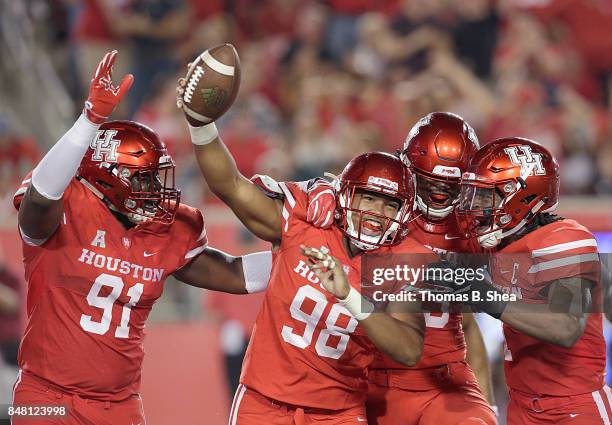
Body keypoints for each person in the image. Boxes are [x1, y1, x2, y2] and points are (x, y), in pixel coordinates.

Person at [11, 50, 271, 425]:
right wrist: (90, 120)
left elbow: (234, 274)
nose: (157, 191)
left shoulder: (166, 231)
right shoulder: (65, 209)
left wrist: (304, 257)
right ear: (107, 177)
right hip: (44, 395)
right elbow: (41, 196)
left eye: (158, 178)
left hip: (119, 403)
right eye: (144, 179)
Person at [179, 78, 432, 420]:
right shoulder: (306, 224)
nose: (376, 213)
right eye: (369, 198)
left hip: (338, 413)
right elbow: (231, 186)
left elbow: (407, 349)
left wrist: (349, 296)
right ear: (346, 196)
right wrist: (201, 125)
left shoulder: (400, 264)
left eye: (389, 204)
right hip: (264, 403)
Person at [291, 112, 496, 424]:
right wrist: (318, 186)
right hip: (371, 376)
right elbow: (342, 189)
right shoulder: (381, 207)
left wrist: (489, 406)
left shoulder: (472, 228)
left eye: (452, 186)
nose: (440, 194)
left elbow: (467, 323)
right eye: (430, 182)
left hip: (443, 378)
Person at [442, 138, 607, 424]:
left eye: (485, 195)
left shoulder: (565, 238)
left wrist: (485, 296)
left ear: (519, 195)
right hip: (521, 404)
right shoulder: (499, 242)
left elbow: (565, 326)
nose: (475, 206)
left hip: (574, 407)